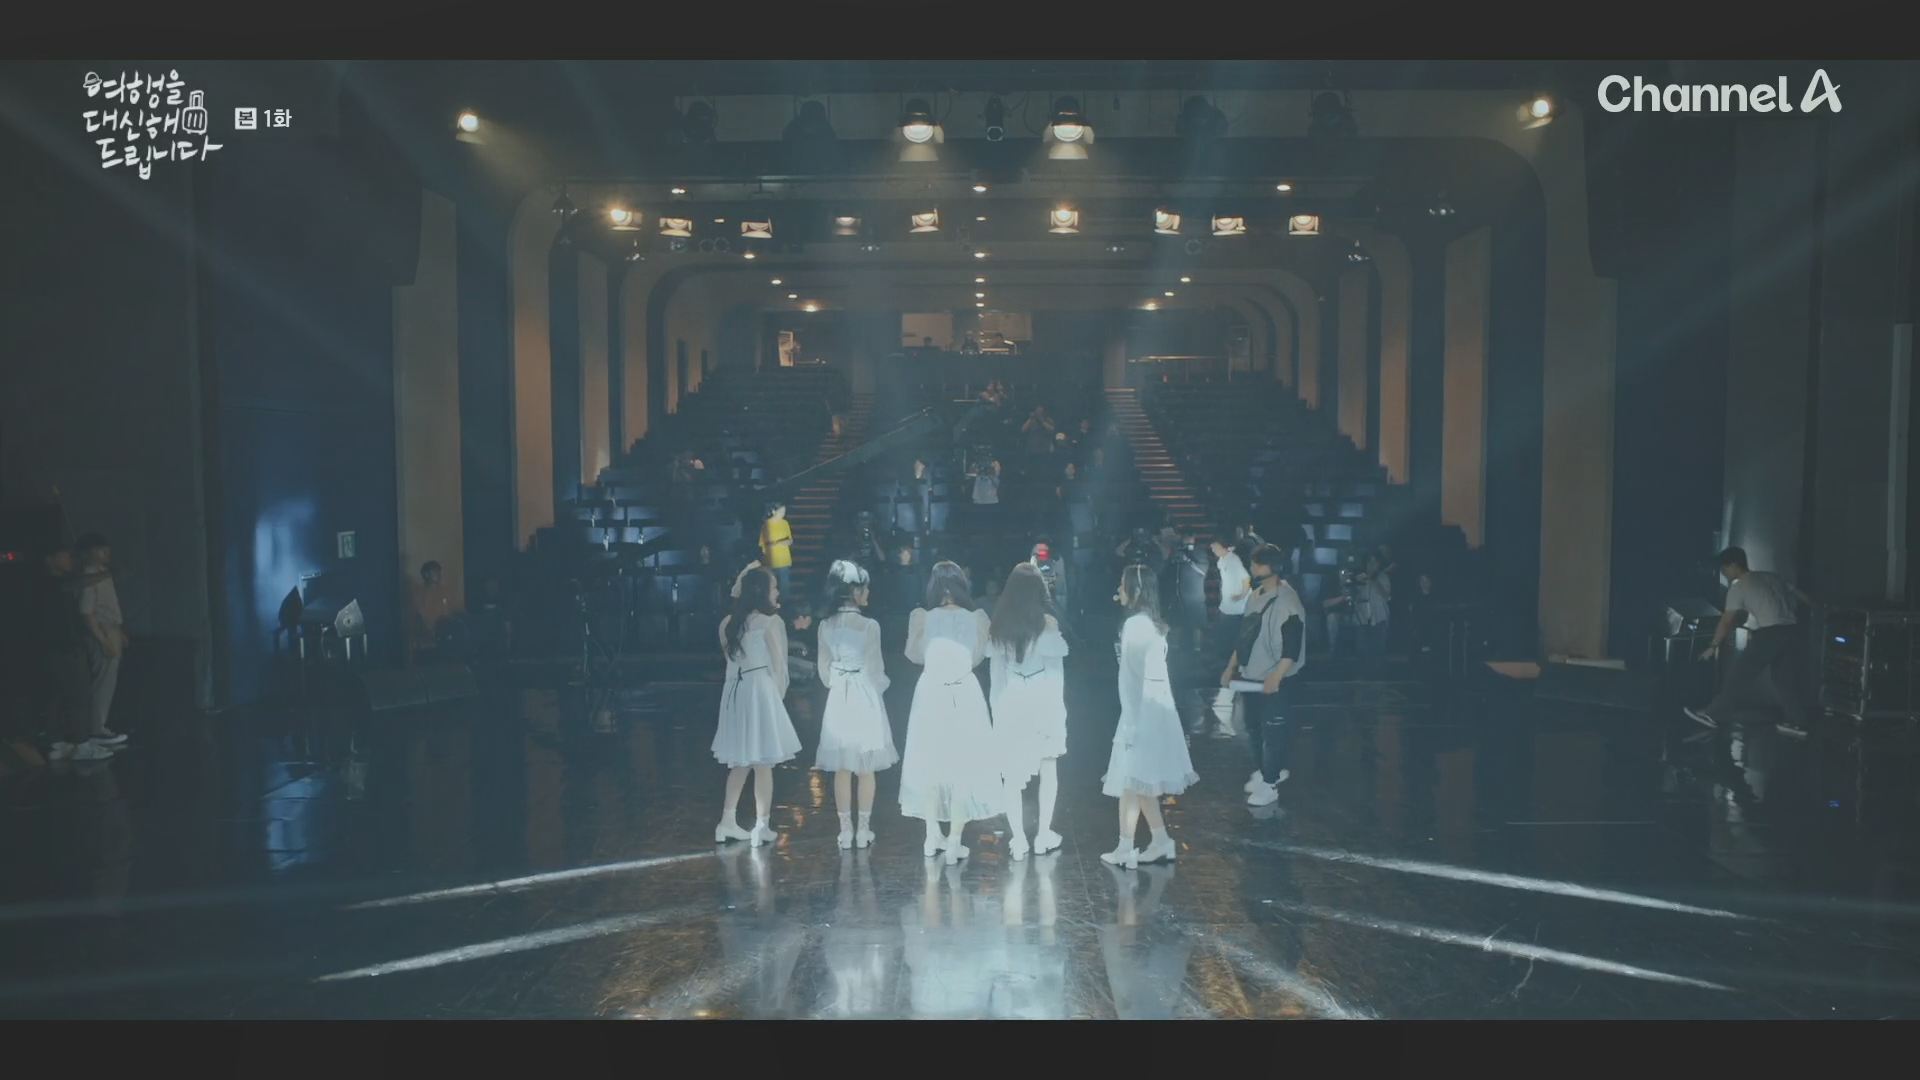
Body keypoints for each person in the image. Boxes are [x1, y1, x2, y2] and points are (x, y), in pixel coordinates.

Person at [898, 561, 1001, 865]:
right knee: (962, 767)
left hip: (931, 692)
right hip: (964, 692)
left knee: (931, 765)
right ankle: (954, 841)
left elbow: (913, 654)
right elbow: (978, 656)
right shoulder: (977, 618)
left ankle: (932, 835)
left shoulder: (922, 617)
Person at [1101, 564, 1198, 869]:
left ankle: (1127, 847)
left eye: (1122, 584)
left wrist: (1131, 723)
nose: (1118, 590)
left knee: (1133, 781)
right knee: (1138, 783)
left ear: (1136, 590)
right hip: (1156, 710)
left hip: (1140, 712)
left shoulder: (1135, 626)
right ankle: (1158, 841)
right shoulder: (1154, 625)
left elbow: (1131, 679)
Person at [713, 567, 802, 848]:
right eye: (774, 587)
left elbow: (730, 665)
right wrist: (776, 701)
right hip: (759, 690)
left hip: (735, 693)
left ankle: (727, 821)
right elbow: (780, 668)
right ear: (762, 591)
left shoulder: (727, 623)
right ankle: (761, 826)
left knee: (741, 761)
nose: (777, 592)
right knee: (763, 762)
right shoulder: (770, 622)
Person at [989, 564, 1071, 861]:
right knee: (1048, 768)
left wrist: (996, 713)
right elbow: (1056, 675)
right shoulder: (1047, 623)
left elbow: (996, 678)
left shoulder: (1000, 625)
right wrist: (1058, 712)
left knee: (1011, 775)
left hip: (1012, 701)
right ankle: (1043, 835)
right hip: (1042, 700)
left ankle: (1019, 839)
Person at [814, 560, 897, 849]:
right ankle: (863, 830)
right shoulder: (870, 626)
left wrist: (839, 678)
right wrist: (879, 688)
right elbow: (875, 669)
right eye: (865, 588)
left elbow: (824, 673)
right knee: (865, 766)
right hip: (864, 695)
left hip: (840, 696)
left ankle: (845, 831)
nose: (868, 592)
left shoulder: (825, 626)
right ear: (855, 591)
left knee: (842, 766)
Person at [1686, 547, 1813, 734]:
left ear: (1734, 565)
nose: (1723, 573)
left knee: (1740, 675)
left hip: (1770, 634)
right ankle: (1799, 723)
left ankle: (1713, 715)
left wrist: (1713, 646)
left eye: (1724, 568)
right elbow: (1804, 597)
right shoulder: (1771, 577)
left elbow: (1726, 621)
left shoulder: (1739, 587)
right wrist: (1818, 609)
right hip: (1792, 631)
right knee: (1784, 680)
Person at [1222, 545, 1307, 807]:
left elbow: (1292, 647)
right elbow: (1244, 637)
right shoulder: (1255, 596)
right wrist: (1231, 667)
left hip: (1277, 678)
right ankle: (1268, 771)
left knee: (1273, 732)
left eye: (1257, 564)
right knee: (1253, 727)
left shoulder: (1288, 601)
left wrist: (1276, 677)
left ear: (1272, 567)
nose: (1252, 568)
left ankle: (1270, 783)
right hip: (1252, 675)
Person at [37, 545, 110, 762]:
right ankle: (82, 745)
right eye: (65, 555)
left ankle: (57, 743)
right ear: (50, 559)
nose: (70, 559)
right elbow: (75, 583)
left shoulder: (51, 583)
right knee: (78, 695)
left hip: (56, 648)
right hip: (65, 648)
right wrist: (108, 573)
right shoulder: (50, 583)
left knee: (58, 696)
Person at [74, 533, 128, 749]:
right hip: (101, 631)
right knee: (103, 681)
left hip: (110, 629)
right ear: (89, 553)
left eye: (107, 549)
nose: (106, 553)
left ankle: (99, 726)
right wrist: (103, 639)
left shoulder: (102, 573)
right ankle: (97, 728)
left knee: (108, 679)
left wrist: (119, 631)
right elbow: (86, 612)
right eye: (101, 550)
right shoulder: (90, 576)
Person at [408, 560, 453, 665]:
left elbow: (447, 612)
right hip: (425, 639)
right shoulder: (418, 592)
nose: (438, 574)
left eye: (438, 571)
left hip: (442, 638)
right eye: (434, 571)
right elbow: (419, 614)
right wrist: (429, 631)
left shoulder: (444, 591)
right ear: (426, 574)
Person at [759, 502, 794, 596]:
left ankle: (785, 602)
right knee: (770, 585)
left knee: (785, 585)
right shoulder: (767, 524)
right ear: (774, 511)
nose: (783, 514)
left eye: (784, 512)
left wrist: (788, 542)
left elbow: (790, 539)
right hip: (771, 560)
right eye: (781, 512)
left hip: (784, 559)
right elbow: (763, 544)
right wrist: (778, 543)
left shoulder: (785, 523)